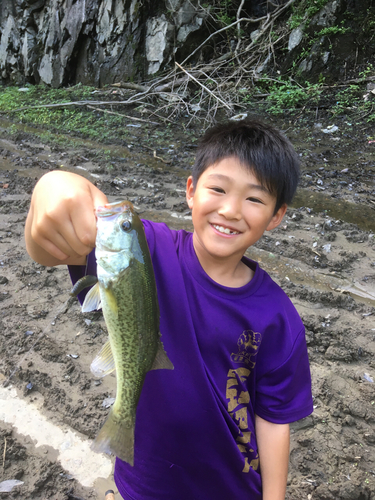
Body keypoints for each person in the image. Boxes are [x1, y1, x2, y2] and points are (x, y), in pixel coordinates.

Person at [25, 119, 313, 500]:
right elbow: (49, 247)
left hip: (231, 488)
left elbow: (274, 421)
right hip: (147, 483)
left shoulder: (278, 318)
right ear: (191, 191)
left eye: (255, 199)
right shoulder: (144, 249)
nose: (230, 209)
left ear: (276, 216)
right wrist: (53, 186)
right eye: (218, 189)